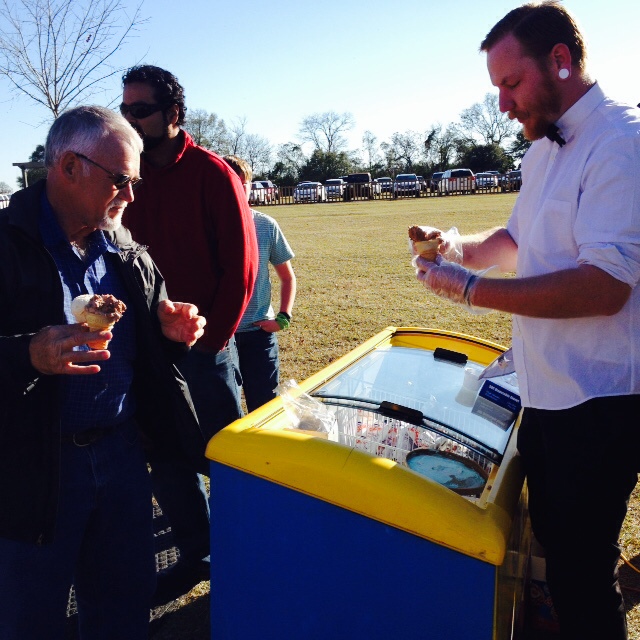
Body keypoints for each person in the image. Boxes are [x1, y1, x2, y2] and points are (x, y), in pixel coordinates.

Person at [413, 3, 640, 639]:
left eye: (511, 84)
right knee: (560, 562)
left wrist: (472, 292)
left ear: (561, 61)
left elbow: (605, 287)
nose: (504, 105)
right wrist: (452, 247)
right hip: (547, 394)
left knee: (581, 574)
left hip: (599, 402)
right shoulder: (545, 145)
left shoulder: (621, 143)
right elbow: (515, 238)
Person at [0, 105, 206, 640]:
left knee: (122, 603)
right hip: (32, 465)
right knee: (31, 615)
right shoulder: (6, 244)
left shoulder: (125, 247)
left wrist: (172, 328)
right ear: (68, 167)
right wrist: (30, 354)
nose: (131, 197)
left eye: (135, 182)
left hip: (121, 455)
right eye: (121, 180)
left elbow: (155, 324)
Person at [120, 65, 259, 603]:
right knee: (168, 462)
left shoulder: (213, 173)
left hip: (204, 350)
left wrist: (210, 341)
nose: (130, 119)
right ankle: (196, 556)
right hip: (147, 355)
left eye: (141, 110)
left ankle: (247, 552)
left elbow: (242, 269)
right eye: (125, 109)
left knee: (225, 458)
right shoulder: (126, 180)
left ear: (173, 114)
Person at [223, 155, 296, 412]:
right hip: (220, 336)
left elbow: (287, 277)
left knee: (264, 406)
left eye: (242, 183)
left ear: (251, 186)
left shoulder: (266, 225)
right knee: (225, 409)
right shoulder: (207, 225)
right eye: (228, 181)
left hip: (259, 333)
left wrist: (283, 317)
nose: (235, 188)